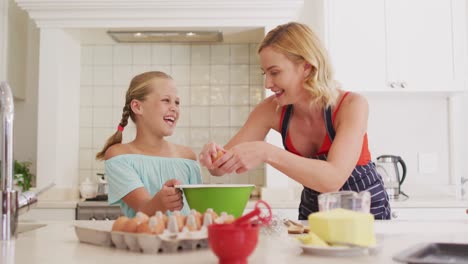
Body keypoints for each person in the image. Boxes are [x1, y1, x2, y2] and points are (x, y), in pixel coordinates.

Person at [198, 22, 391, 220]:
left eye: (275, 72)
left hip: (364, 213)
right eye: (265, 73)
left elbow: (332, 179)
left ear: (306, 67)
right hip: (313, 211)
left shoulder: (352, 105)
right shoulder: (270, 109)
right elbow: (223, 166)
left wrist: (266, 152)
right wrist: (214, 159)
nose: (267, 84)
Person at [96, 71, 202, 218]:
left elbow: (199, 212)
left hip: (188, 240)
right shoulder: (119, 155)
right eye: (166, 100)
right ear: (137, 107)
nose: (174, 108)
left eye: (177, 102)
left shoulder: (187, 157)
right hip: (145, 240)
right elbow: (143, 208)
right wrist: (162, 201)